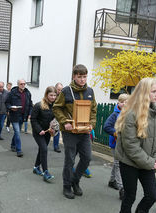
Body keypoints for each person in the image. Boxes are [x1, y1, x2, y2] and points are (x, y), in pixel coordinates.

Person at [114, 77, 156, 213]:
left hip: (147, 162)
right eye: (153, 91)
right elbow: (131, 145)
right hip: (129, 162)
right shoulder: (131, 114)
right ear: (143, 93)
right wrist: (150, 162)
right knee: (129, 196)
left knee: (152, 196)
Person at [53, 64, 97, 199]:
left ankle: (75, 181)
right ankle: (67, 186)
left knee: (87, 158)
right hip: (70, 132)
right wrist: (65, 122)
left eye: (84, 77)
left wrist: (92, 124)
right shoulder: (66, 91)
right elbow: (56, 108)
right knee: (70, 160)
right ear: (74, 76)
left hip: (84, 132)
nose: (82, 80)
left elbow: (94, 110)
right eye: (80, 77)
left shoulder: (90, 91)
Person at [103, 93, 129, 200]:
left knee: (116, 162)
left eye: (126, 102)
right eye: (121, 102)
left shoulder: (130, 114)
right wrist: (115, 133)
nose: (123, 104)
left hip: (124, 144)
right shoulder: (114, 114)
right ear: (118, 102)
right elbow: (106, 126)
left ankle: (112, 181)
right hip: (115, 143)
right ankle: (122, 188)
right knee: (118, 163)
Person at [31, 86, 57, 182]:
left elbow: (55, 119)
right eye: (51, 95)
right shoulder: (38, 105)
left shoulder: (55, 106)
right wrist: (39, 130)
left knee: (42, 149)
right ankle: (46, 172)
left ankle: (36, 168)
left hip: (47, 132)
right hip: (38, 132)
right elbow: (33, 119)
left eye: (55, 95)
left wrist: (54, 127)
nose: (53, 97)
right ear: (46, 95)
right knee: (44, 149)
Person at [6, 79, 33, 157]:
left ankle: (13, 145)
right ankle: (19, 150)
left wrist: (30, 113)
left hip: (23, 116)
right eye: (21, 84)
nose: (23, 85)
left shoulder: (27, 93)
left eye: (24, 84)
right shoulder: (12, 93)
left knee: (16, 132)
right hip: (14, 115)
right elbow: (7, 103)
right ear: (18, 84)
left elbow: (30, 104)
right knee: (17, 132)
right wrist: (11, 108)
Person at [53, 82, 63, 153]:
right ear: (55, 89)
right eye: (59, 89)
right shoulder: (52, 95)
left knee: (57, 130)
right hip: (50, 115)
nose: (60, 91)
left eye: (61, 90)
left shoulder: (62, 97)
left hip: (57, 117)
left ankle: (56, 146)